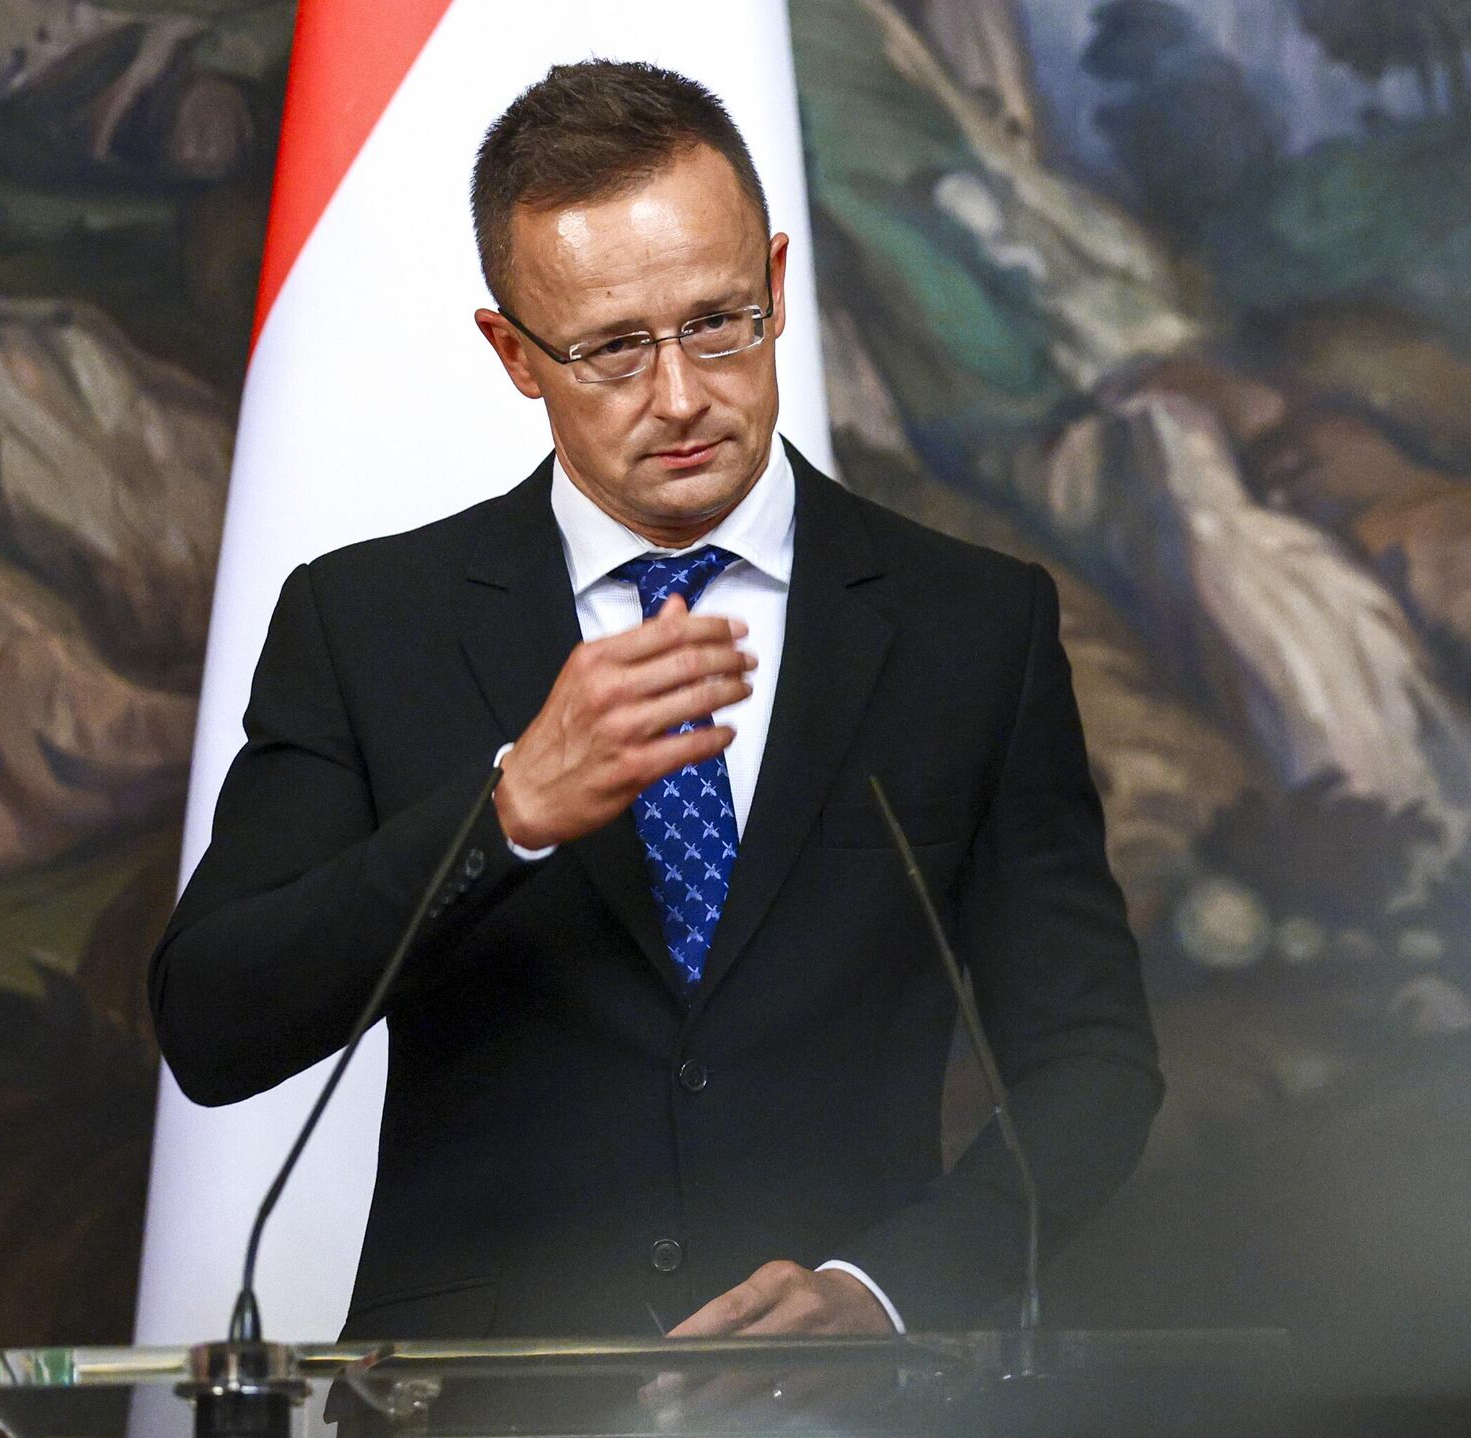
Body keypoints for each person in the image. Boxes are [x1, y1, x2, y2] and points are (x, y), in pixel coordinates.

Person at [148, 59, 1161, 1342]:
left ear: (776, 284)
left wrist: (892, 1290)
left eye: (718, 322)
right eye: (615, 348)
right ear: (514, 353)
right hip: (486, 1405)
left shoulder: (973, 626)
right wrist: (504, 813)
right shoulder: (367, 624)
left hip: (841, 1407)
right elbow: (215, 1024)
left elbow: (1091, 1060)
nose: (680, 395)